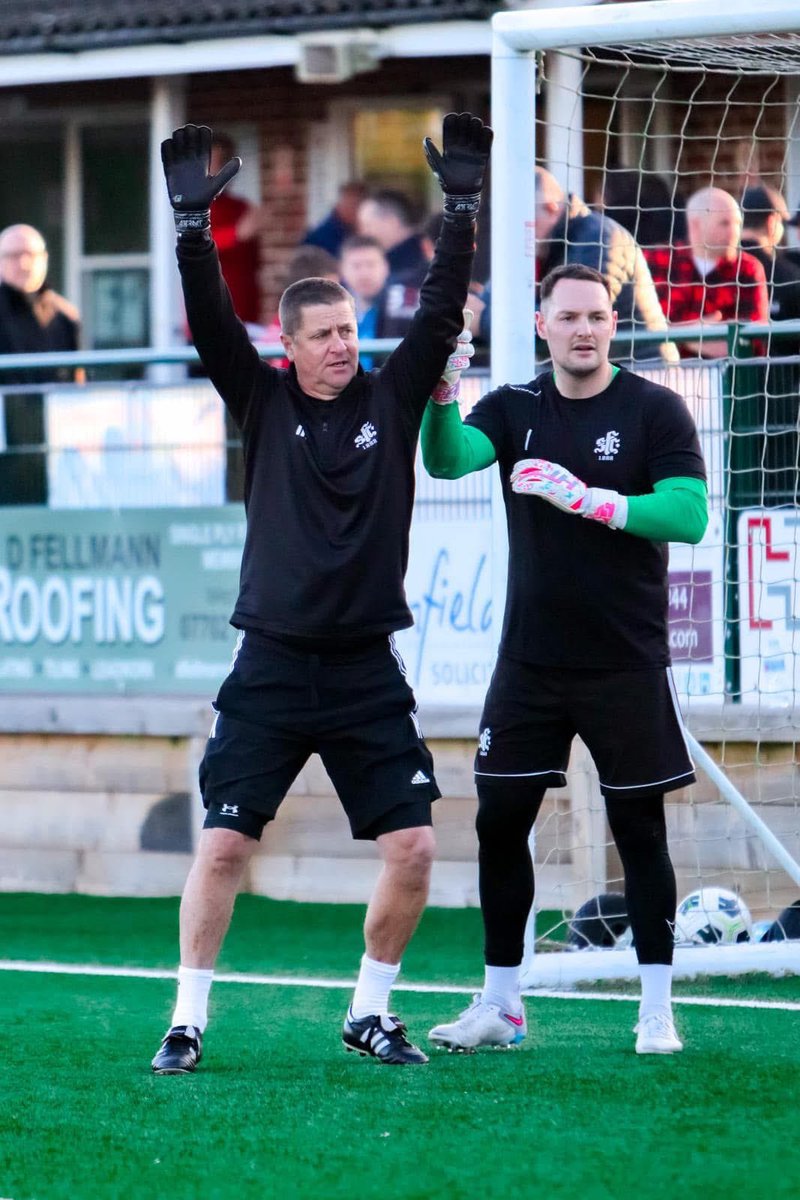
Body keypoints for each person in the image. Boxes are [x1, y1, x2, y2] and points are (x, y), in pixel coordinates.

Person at [152, 113, 493, 1073]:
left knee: (416, 850)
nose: (345, 343)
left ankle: (370, 1013)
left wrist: (458, 207)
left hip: (363, 670)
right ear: (291, 346)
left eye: (350, 329)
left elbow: (438, 309)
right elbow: (213, 322)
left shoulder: (391, 398)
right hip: (267, 661)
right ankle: (186, 1021)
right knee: (221, 850)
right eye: (327, 334)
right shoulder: (260, 401)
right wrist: (191, 229)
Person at [420, 263, 708, 1056]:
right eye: (569, 316)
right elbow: (446, 461)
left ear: (615, 325)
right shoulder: (515, 408)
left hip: (625, 659)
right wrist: (441, 393)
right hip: (531, 663)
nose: (586, 329)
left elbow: (689, 517)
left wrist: (593, 499)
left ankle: (655, 1010)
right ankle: (502, 1007)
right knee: (498, 820)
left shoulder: (655, 410)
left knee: (639, 830)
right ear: (542, 324)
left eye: (599, 316)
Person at [473, 167, 673, 361]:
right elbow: (486, 303)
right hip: (593, 377)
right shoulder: (535, 247)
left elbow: (574, 317)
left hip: (642, 374)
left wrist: (483, 320)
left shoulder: (599, 237)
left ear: (550, 208)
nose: (513, 233)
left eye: (521, 223)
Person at [0, 222, 81, 505]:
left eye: (30, 254)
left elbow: (77, 385)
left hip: (55, 446)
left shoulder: (65, 317)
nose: (22, 263)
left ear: (44, 260)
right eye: (12, 255)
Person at [644, 186, 769, 358]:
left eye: (738, 223)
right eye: (724, 223)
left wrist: (674, 334)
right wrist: (699, 334)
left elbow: (751, 343)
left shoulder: (747, 268)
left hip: (727, 381)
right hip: (665, 375)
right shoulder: (656, 262)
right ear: (695, 225)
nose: (734, 232)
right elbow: (637, 331)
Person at [208, 132, 268, 325]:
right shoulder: (193, 206)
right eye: (213, 162)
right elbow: (194, 245)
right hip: (209, 312)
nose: (219, 170)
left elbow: (255, 262)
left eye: (224, 163)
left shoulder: (241, 207)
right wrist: (236, 234)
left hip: (245, 314)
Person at [740, 184, 800, 348]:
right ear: (772, 222)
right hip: (780, 371)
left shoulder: (721, 267)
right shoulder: (789, 276)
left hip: (724, 371)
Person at [357, 189, 428, 277]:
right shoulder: (429, 249)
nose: (363, 233)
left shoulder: (406, 265)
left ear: (391, 222)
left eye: (367, 225)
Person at [302, 181, 369, 257]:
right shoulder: (316, 239)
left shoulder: (369, 234)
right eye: (351, 204)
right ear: (339, 204)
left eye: (359, 205)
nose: (355, 211)